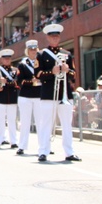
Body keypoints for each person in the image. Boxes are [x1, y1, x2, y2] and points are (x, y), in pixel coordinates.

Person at [37, 24, 80, 162]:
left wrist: (68, 71)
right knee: (46, 124)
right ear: (47, 37)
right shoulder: (42, 54)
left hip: (65, 93)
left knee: (67, 124)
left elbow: (74, 74)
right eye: (52, 36)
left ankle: (69, 152)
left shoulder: (66, 54)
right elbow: (37, 74)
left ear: (59, 37)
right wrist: (52, 72)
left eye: (56, 36)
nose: (54, 39)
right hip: (48, 93)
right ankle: (43, 151)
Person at [14, 40, 42, 156]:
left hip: (39, 95)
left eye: (35, 49)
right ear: (27, 51)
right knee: (25, 122)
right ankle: (22, 146)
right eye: (31, 49)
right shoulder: (22, 64)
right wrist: (31, 81)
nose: (33, 51)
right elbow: (19, 81)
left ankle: (44, 147)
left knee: (41, 123)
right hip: (25, 95)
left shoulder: (41, 62)